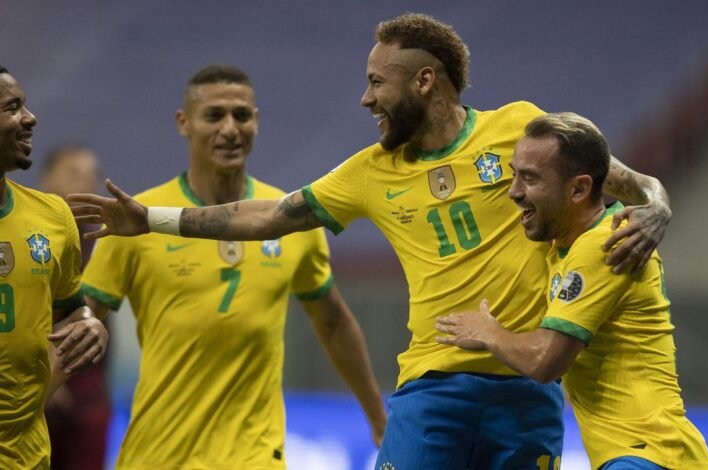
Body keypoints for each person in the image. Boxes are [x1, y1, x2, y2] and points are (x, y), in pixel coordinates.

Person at [70, 14, 672, 470]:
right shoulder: (370, 171)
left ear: (426, 81)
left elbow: (619, 179)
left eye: (377, 83)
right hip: (432, 389)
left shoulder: (517, 129)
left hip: (527, 389)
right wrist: (152, 219)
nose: (366, 99)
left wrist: (658, 205)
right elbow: (270, 217)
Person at [78, 64, 386, 469]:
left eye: (241, 115)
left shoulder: (291, 218)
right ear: (183, 123)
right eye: (214, 115)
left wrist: (380, 419)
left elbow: (333, 322)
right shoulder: (136, 221)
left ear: (256, 122)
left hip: (255, 455)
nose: (230, 128)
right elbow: (77, 331)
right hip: (158, 454)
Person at [436, 112, 708, 469]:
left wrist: (489, 332)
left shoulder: (602, 247)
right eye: (514, 174)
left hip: (649, 454)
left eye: (530, 179)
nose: (514, 191)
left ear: (579, 189)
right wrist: (657, 199)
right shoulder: (566, 242)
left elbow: (544, 361)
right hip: (649, 454)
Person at [0, 66, 108, 468]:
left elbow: (71, 311)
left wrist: (89, 323)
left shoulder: (53, 218)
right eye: (13, 107)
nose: (31, 117)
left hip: (30, 455)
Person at [40, 144, 111, 470]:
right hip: (30, 395)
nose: (83, 184)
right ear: (46, 181)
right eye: (73, 174)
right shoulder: (28, 239)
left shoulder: (105, 244)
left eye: (90, 177)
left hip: (88, 397)